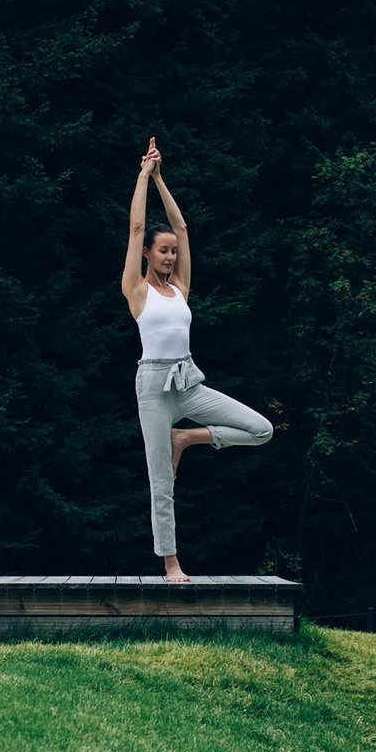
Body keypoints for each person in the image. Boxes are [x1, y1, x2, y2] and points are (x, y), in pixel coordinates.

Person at [121, 136, 273, 582]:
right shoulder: (137, 290)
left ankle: (186, 439)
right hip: (153, 388)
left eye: (172, 251)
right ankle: (171, 563)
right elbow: (134, 228)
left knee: (261, 430)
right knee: (161, 483)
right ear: (148, 253)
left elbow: (183, 229)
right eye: (162, 250)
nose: (169, 256)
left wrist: (163, 178)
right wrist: (143, 177)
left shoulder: (180, 288)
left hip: (189, 381)